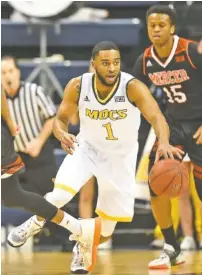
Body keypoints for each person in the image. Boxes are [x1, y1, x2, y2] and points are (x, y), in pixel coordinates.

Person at [7, 41, 183, 273]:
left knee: (106, 232)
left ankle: (83, 245)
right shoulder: (78, 86)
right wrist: (61, 134)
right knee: (59, 194)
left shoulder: (132, 87)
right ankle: (33, 224)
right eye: (106, 63)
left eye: (116, 63)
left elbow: (157, 117)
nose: (112, 68)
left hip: (120, 159)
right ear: (93, 64)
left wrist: (164, 141)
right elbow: (60, 119)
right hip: (86, 148)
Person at [132, 4, 202, 269]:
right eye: (152, 25)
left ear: (172, 27)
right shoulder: (146, 60)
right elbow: (132, 92)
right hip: (172, 126)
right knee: (155, 180)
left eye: (162, 25)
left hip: (199, 125)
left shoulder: (192, 51)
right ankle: (172, 246)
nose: (156, 29)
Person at [1, 88, 98, 241]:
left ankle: (78, 230)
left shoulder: (34, 92)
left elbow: (59, 118)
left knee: (14, 195)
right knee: (13, 196)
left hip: (41, 156)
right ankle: (80, 229)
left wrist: (11, 123)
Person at [1, 56, 56, 196]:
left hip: (40, 155)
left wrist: (38, 141)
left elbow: (52, 118)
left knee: (49, 200)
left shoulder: (34, 91)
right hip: (14, 159)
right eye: (3, 72)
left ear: (18, 72)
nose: (8, 76)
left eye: (10, 71)